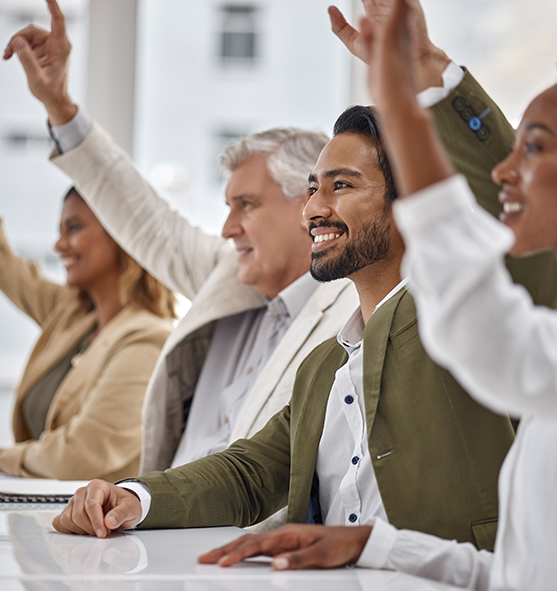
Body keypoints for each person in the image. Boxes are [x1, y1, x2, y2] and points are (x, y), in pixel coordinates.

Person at [43, 4, 557, 546]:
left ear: (413, 201)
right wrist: (134, 498)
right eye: (313, 188)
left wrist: (429, 69)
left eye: (342, 185)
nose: (313, 208)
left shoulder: (467, 322)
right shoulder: (324, 368)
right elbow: (248, 473)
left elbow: (512, 200)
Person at [196, 2, 557, 591]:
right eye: (314, 188)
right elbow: (523, 580)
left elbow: (481, 309)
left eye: (536, 149)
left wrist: (417, 90)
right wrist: (373, 545)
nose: (505, 174)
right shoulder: (327, 366)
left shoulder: (478, 321)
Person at [3, 0, 358, 479]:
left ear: (307, 203)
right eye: (228, 206)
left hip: (236, 547)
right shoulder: (229, 275)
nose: (228, 228)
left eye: (246, 205)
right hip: (153, 528)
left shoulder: (352, 313)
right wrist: (60, 108)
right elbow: (146, 219)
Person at [0, 69, 175, 482]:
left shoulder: (148, 338)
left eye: (74, 228)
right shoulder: (72, 315)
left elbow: (82, 455)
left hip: (99, 539)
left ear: (120, 236)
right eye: (59, 230)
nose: (60, 246)